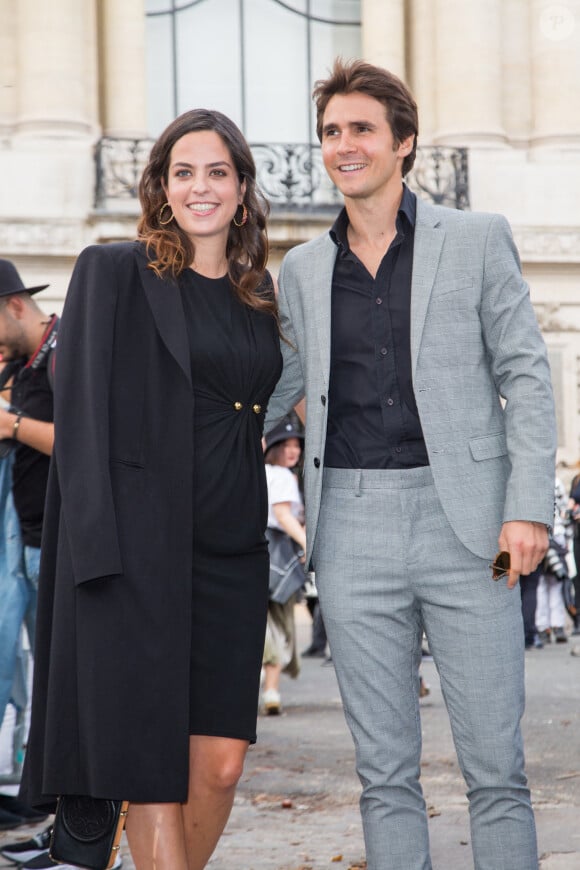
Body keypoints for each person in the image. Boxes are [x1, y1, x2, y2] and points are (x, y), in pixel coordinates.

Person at [265, 58, 556, 870]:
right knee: (382, 772)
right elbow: (277, 386)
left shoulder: (476, 238)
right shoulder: (301, 270)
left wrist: (529, 505)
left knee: (497, 770)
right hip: (350, 521)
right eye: (331, 132)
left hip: (469, 521)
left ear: (404, 143)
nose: (343, 145)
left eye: (361, 129)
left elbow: (526, 375)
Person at [18, 108, 282, 870]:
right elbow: (85, 419)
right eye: (184, 172)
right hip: (139, 559)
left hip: (233, 554)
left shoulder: (258, 292)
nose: (201, 188)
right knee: (151, 774)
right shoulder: (115, 271)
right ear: (162, 187)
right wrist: (96, 560)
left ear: (241, 187)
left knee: (220, 766)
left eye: (217, 172)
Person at [0, 261, 56, 831]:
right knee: (38, 677)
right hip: (30, 541)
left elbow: (82, 442)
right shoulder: (27, 362)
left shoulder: (66, 351)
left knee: (57, 682)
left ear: (15, 305)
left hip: (55, 544)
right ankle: (49, 812)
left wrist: (10, 425)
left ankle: (64, 820)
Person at [262, 416, 306, 714]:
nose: (294, 451)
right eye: (285, 445)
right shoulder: (282, 477)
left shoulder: (260, 472)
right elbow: (283, 515)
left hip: (255, 551)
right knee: (277, 625)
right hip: (276, 554)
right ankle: (272, 691)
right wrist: (307, 543)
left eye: (297, 446)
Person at [536, 477, 570, 644]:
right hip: (554, 535)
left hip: (548, 534)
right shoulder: (555, 481)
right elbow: (564, 510)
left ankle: (546, 627)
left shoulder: (551, 481)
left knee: (544, 583)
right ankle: (554, 625)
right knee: (551, 583)